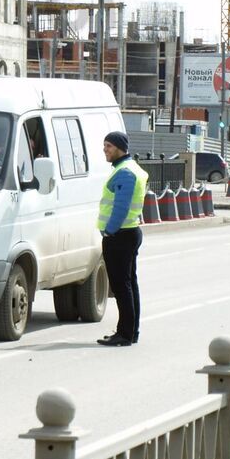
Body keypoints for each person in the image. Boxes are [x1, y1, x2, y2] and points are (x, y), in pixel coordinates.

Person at [96, 131, 147, 347]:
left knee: (121, 285)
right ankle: (130, 331)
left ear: (118, 147)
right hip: (129, 232)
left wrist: (109, 231)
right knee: (129, 283)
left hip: (120, 234)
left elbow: (121, 206)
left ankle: (125, 334)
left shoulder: (125, 172)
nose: (105, 150)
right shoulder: (130, 168)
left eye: (108, 146)